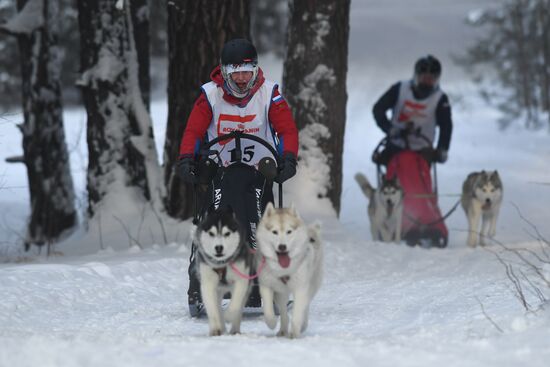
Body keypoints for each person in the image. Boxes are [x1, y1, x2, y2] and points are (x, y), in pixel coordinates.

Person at [177, 38, 299, 314]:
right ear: (225, 72)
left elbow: (287, 129)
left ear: (255, 70)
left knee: (263, 224)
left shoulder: (270, 93)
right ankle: (202, 285)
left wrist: (288, 158)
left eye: (247, 72)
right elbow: (193, 132)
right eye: (236, 73)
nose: (242, 79)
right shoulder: (210, 94)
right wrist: (186, 158)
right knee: (214, 221)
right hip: (220, 170)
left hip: (259, 171)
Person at [372, 55, 452, 165]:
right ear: (416, 76)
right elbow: (378, 109)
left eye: (431, 79)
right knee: (392, 177)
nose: (427, 82)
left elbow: (446, 125)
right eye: (424, 78)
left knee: (420, 180)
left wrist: (443, 148)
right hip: (396, 145)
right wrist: (389, 129)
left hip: (423, 150)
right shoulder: (400, 89)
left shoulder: (440, 98)